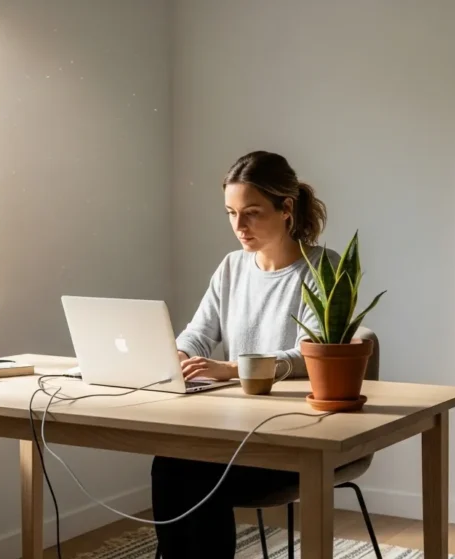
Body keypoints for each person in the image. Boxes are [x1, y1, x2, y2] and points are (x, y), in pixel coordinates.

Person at [151, 150, 339, 558]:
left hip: (292, 438)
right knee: (170, 463)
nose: (239, 226)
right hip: (230, 433)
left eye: (251, 212)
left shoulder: (324, 269)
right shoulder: (232, 267)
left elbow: (312, 355)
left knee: (189, 474)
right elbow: (199, 333)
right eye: (230, 213)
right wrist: (178, 357)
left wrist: (232, 369)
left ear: (286, 208)